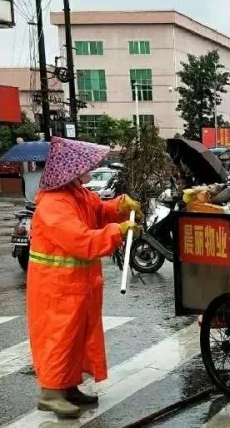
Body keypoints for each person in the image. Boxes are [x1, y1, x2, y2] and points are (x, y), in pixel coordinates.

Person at [27, 137, 143, 418]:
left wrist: (119, 206)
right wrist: (118, 231)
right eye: (87, 164)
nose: (93, 166)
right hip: (57, 288)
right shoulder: (54, 204)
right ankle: (50, 393)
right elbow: (81, 241)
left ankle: (68, 385)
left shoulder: (76, 194)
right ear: (70, 170)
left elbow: (98, 210)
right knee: (60, 338)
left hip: (76, 285)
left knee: (77, 338)